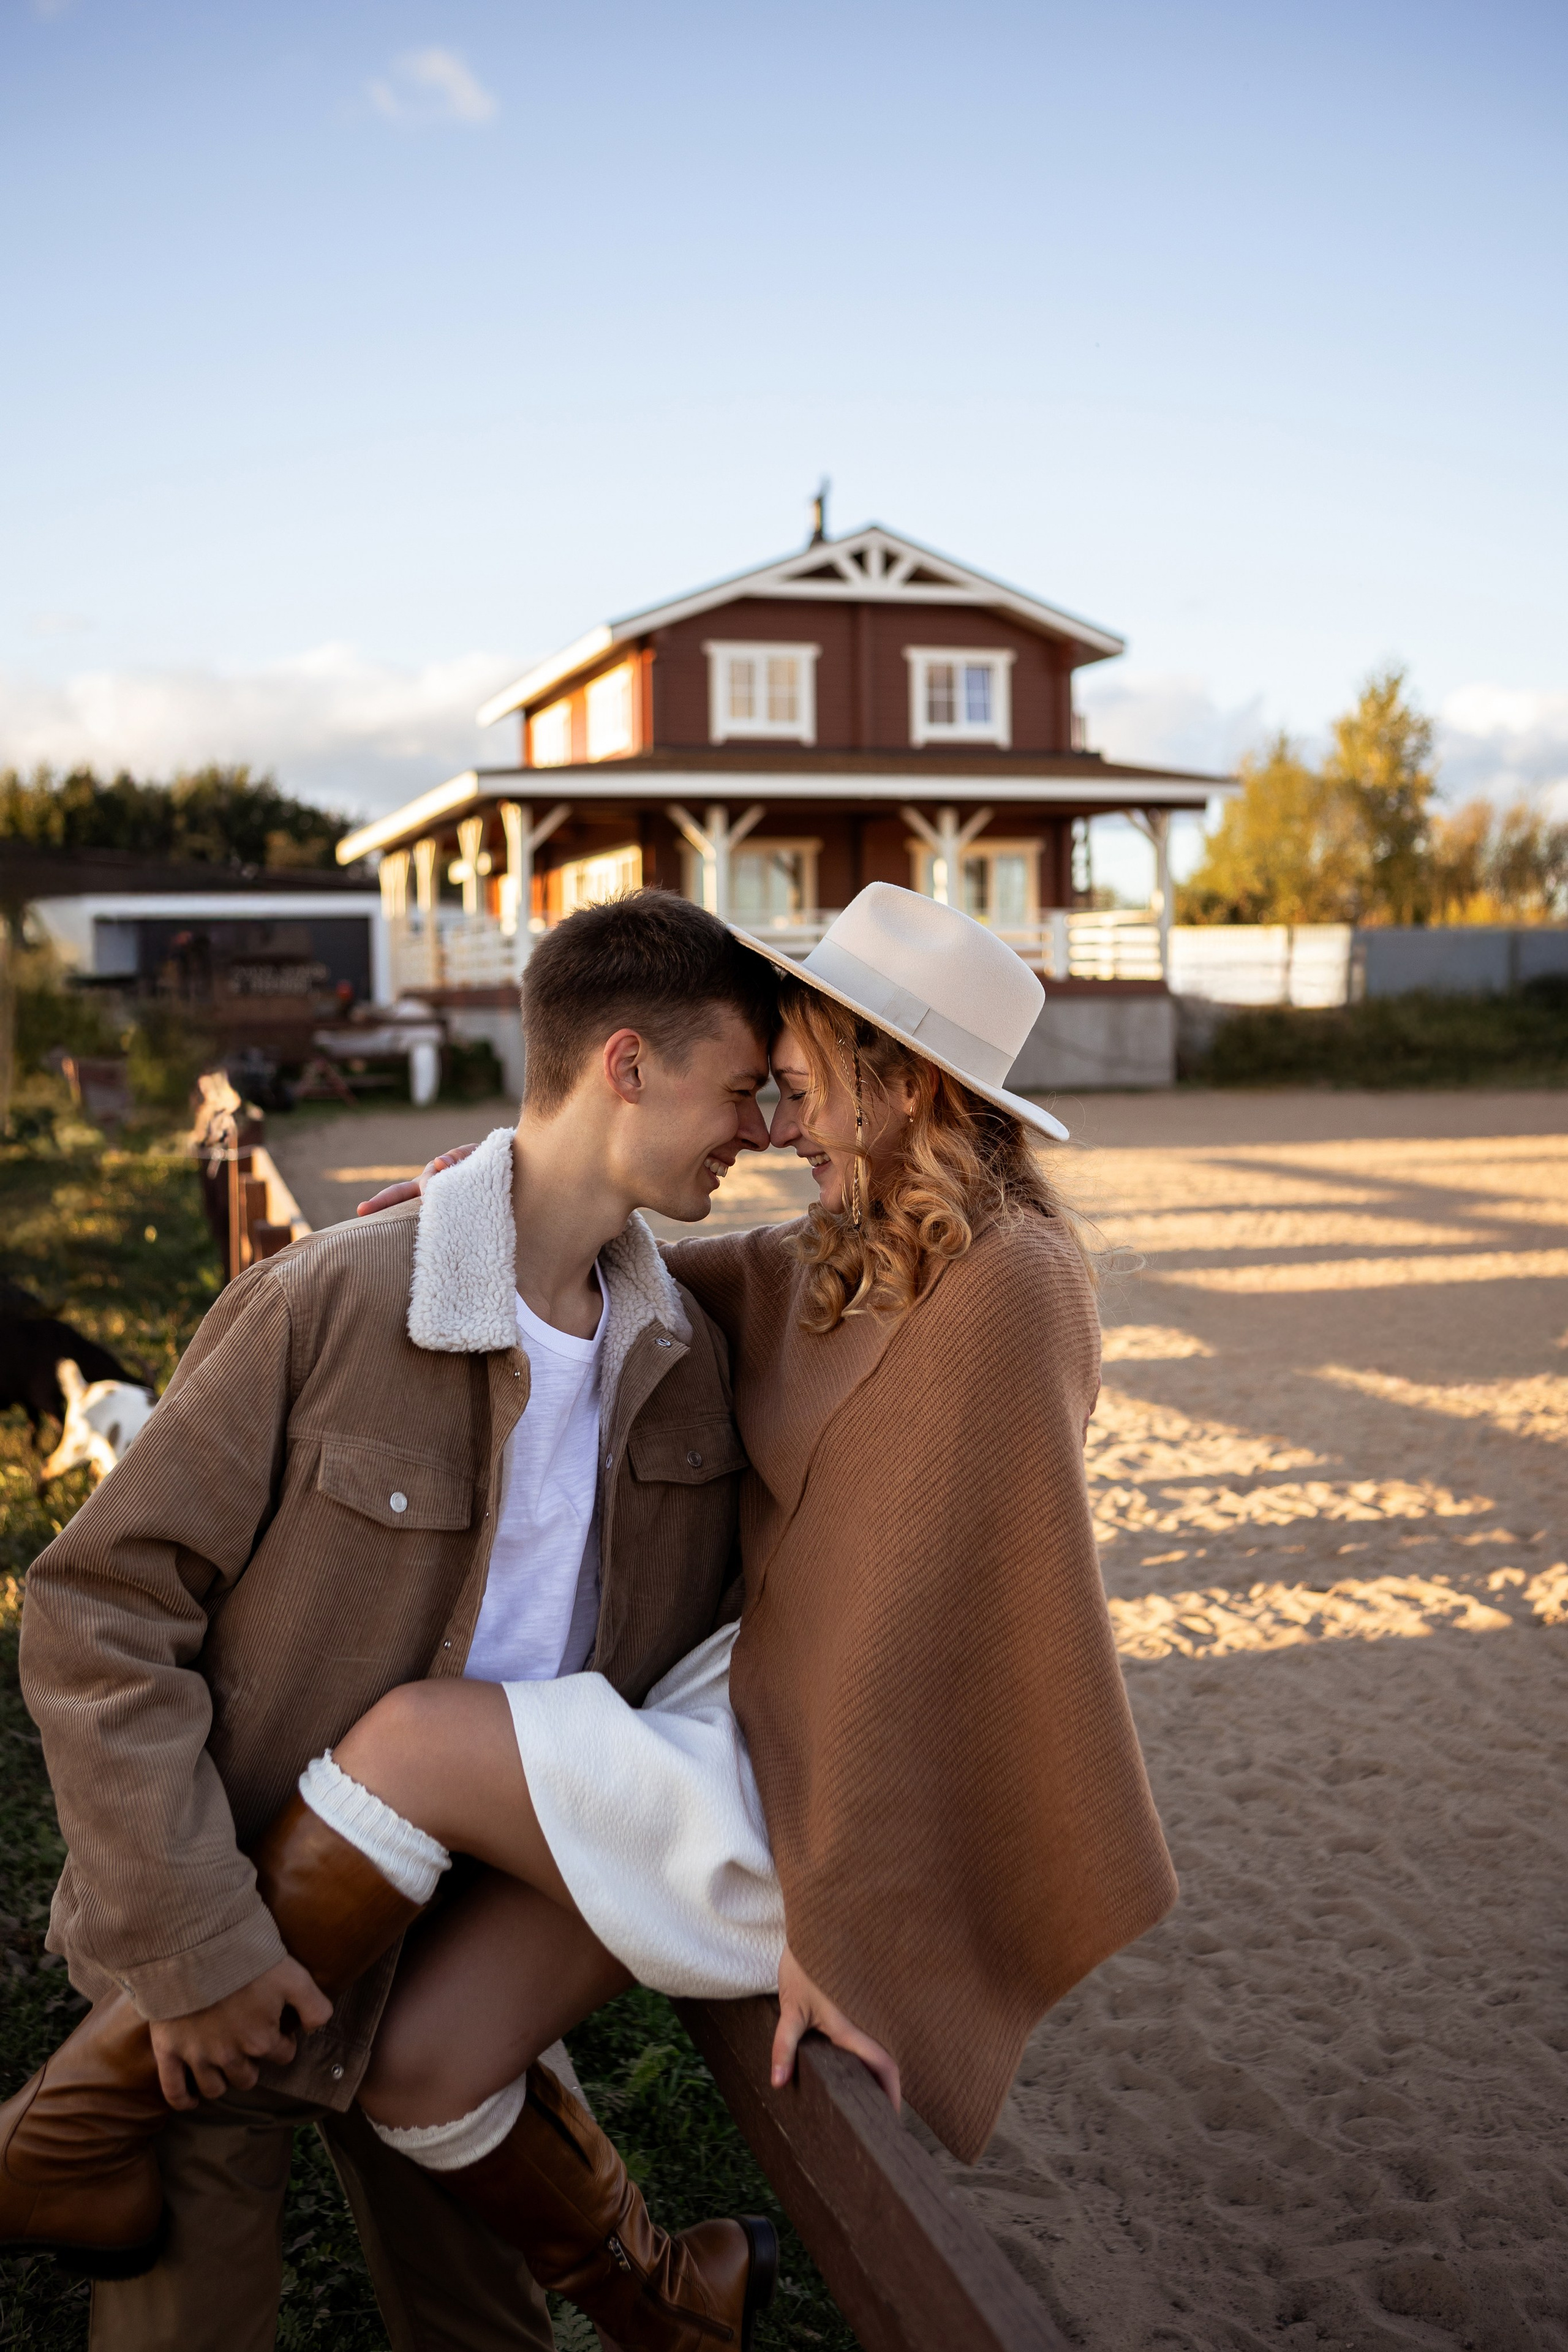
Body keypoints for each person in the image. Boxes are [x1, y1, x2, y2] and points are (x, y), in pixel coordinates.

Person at [3, 891, 784, 2352]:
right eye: (742, 1089)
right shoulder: (332, 1302)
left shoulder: (690, 1359)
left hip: (453, 1979)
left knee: (488, 2335)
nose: (760, 1131)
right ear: (626, 1064)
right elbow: (98, 1610)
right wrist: (192, 1940)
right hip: (219, 1946)